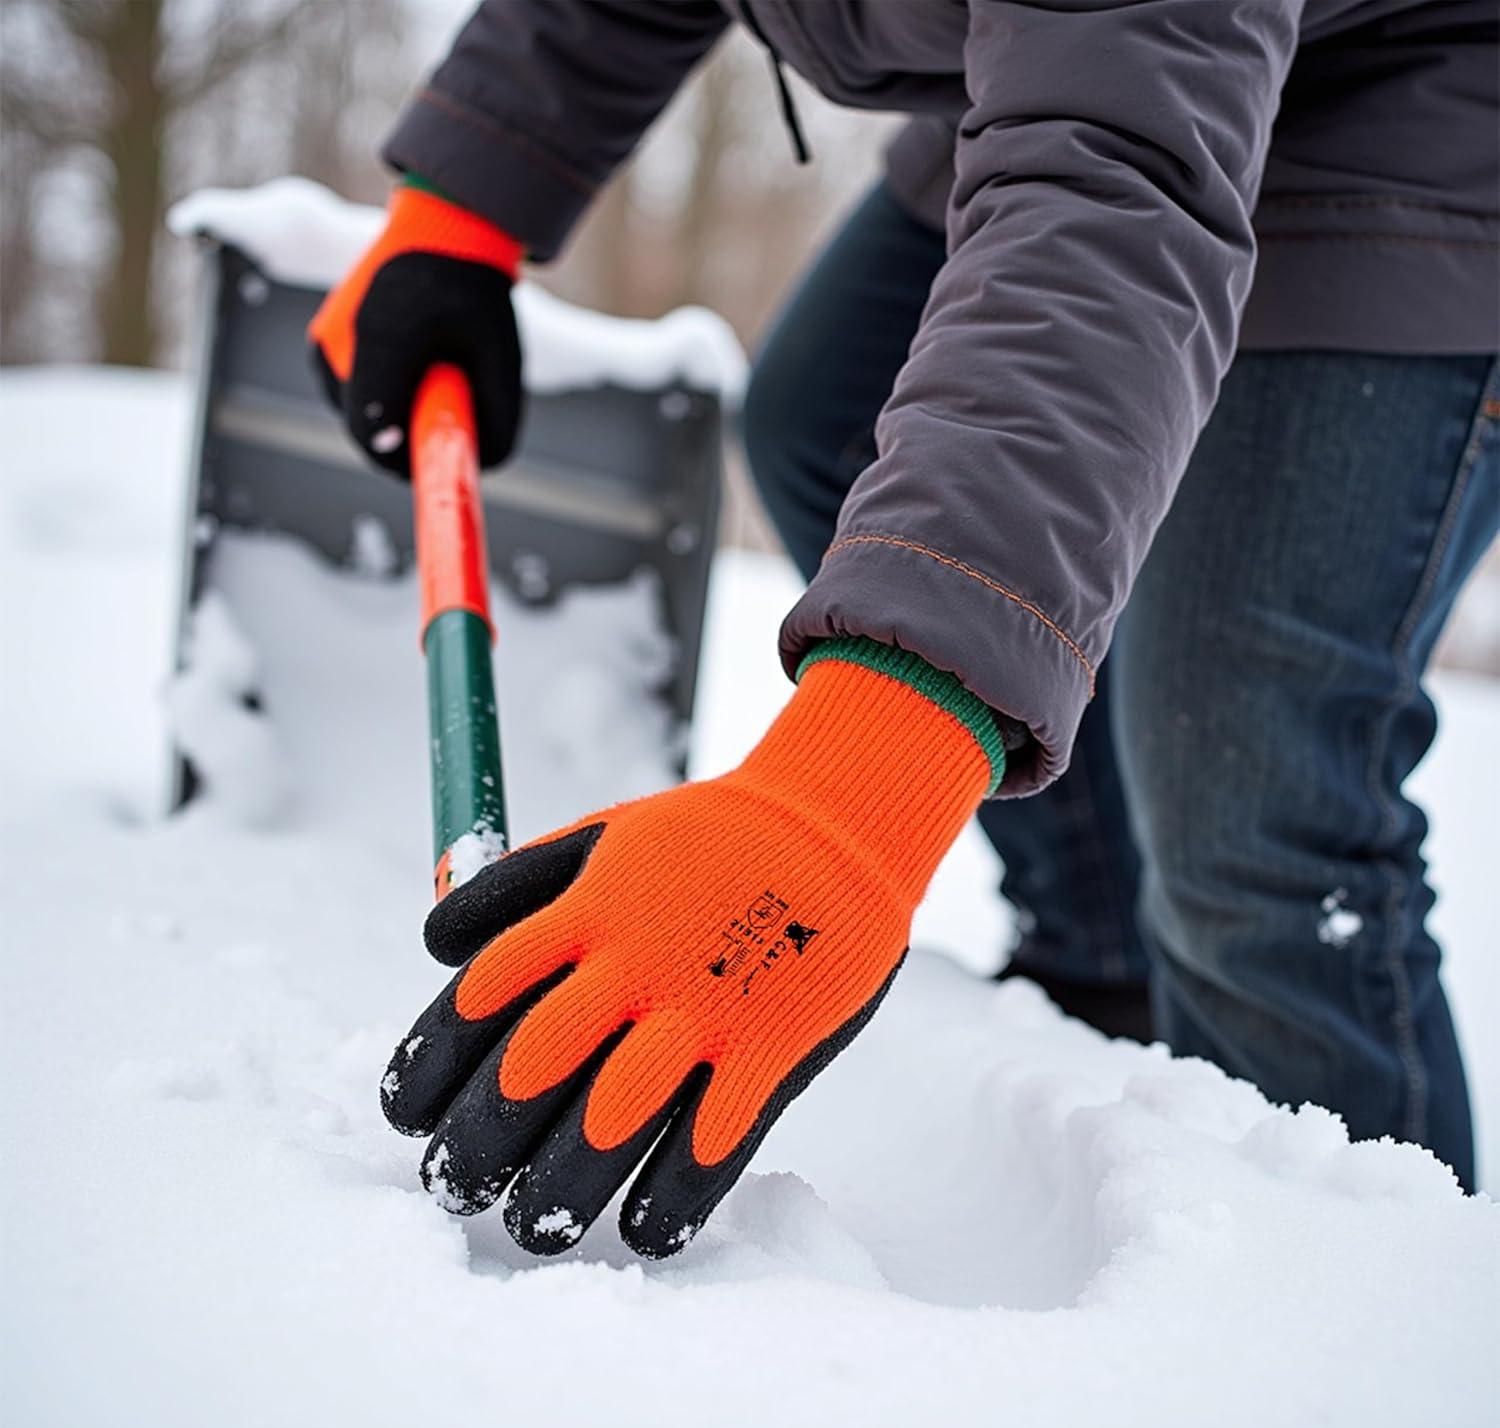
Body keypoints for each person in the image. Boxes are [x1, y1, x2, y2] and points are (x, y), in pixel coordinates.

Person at [311, 0, 1499, 1255]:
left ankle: (1343, 1303)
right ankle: (1102, 969)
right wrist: (467, 207)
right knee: (825, 417)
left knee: (1248, 786)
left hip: (1408, 128)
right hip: (1077, 71)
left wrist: (852, 792)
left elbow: (1111, 195)